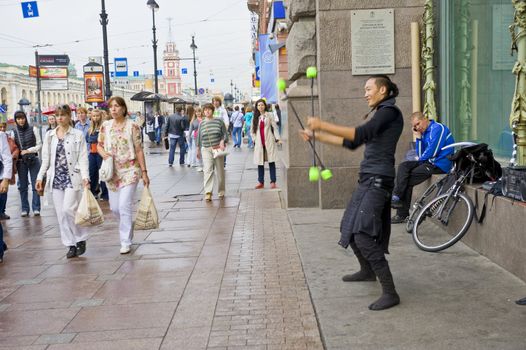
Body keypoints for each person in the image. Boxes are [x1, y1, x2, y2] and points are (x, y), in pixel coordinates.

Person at [301, 75, 403, 311]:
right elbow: (352, 143)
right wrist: (316, 136)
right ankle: (367, 271)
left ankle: (390, 292)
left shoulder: (390, 112)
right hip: (368, 178)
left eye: (368, 89)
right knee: (348, 225)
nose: (365, 93)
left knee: (363, 234)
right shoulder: (380, 112)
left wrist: (321, 124)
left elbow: (359, 134)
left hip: (378, 180)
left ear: (382, 90)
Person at [36, 105, 90, 259]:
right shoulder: (50, 135)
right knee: (60, 214)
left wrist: (86, 177)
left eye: (63, 115)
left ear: (69, 116)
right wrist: (40, 177)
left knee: (68, 210)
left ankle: (81, 238)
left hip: (73, 177)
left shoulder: (77, 134)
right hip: (56, 178)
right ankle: (70, 244)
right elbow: (45, 158)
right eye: (57, 115)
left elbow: (83, 157)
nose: (60, 118)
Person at [98, 97, 150, 254]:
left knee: (124, 205)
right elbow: (99, 146)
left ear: (123, 108)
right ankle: (128, 225)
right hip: (112, 172)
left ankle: (125, 241)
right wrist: (105, 155)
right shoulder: (105, 126)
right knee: (114, 208)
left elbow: (139, 149)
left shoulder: (132, 126)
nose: (113, 109)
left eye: (117, 106)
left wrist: (144, 172)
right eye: (111, 107)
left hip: (130, 169)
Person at [390, 112, 455, 223]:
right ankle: (396, 197)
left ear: (425, 119)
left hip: (440, 164)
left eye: (418, 124)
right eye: (414, 126)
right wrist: (419, 138)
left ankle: (401, 211)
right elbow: (421, 154)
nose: (416, 127)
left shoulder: (437, 128)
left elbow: (432, 152)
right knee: (403, 166)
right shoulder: (424, 133)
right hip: (429, 162)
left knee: (407, 180)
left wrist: (420, 160)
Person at [196, 103, 228, 202]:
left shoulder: (219, 121)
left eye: (209, 110)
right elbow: (199, 137)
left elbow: (225, 134)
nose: (207, 111)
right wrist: (198, 149)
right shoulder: (202, 123)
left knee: (220, 171)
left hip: (218, 149)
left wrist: (222, 141)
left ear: (212, 110)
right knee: (208, 170)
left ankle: (221, 191)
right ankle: (208, 192)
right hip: (206, 149)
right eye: (205, 110)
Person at [13, 111, 41, 217]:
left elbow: (39, 144)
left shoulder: (33, 129)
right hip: (21, 162)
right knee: (23, 186)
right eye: (18, 119)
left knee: (36, 185)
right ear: (16, 120)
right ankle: (25, 208)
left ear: (25, 118)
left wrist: (29, 150)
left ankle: (36, 208)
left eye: (22, 118)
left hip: (33, 159)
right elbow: (13, 147)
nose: (21, 120)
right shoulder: (13, 131)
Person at [252, 99, 281, 189]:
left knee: (271, 162)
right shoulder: (255, 117)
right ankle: (261, 182)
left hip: (269, 141)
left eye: (262, 105)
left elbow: (275, 128)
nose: (260, 107)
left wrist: (278, 139)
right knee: (260, 163)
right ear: (257, 107)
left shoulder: (270, 115)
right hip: (259, 143)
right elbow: (252, 131)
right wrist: (254, 140)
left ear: (265, 106)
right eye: (259, 105)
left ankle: (273, 181)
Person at [85, 110, 108, 200]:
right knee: (92, 173)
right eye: (93, 116)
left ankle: (105, 194)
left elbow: (99, 139)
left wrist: (94, 139)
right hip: (92, 153)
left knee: (102, 173)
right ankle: (93, 192)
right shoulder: (90, 129)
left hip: (101, 153)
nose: (95, 118)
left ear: (100, 116)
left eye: (97, 116)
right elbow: (87, 139)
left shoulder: (103, 127)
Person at [0, 122, 18, 220]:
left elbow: (7, 157)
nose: (2, 128)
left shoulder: (3, 136)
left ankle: (2, 211)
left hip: (2, 171)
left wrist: (6, 179)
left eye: (3, 127)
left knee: (3, 193)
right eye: (1, 127)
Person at [212, 97, 230, 166]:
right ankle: (215, 160)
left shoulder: (223, 110)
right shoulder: (211, 110)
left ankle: (223, 162)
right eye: (214, 101)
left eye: (217, 101)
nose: (215, 102)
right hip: (213, 130)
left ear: (219, 102)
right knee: (214, 146)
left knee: (222, 146)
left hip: (221, 130)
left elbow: (226, 120)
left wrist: (225, 129)